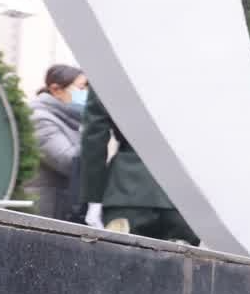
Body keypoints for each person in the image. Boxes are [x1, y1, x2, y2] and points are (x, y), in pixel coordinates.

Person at [78, 85, 198, 244]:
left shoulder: (113, 67)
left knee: (120, 265)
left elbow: (93, 137)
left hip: (128, 189)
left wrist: (94, 198)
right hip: (185, 188)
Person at [26, 63, 87, 223]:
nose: (87, 95)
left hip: (57, 211)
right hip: (43, 214)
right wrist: (93, 133)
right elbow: (69, 162)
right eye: (82, 88)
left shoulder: (71, 121)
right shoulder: (39, 119)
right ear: (56, 90)